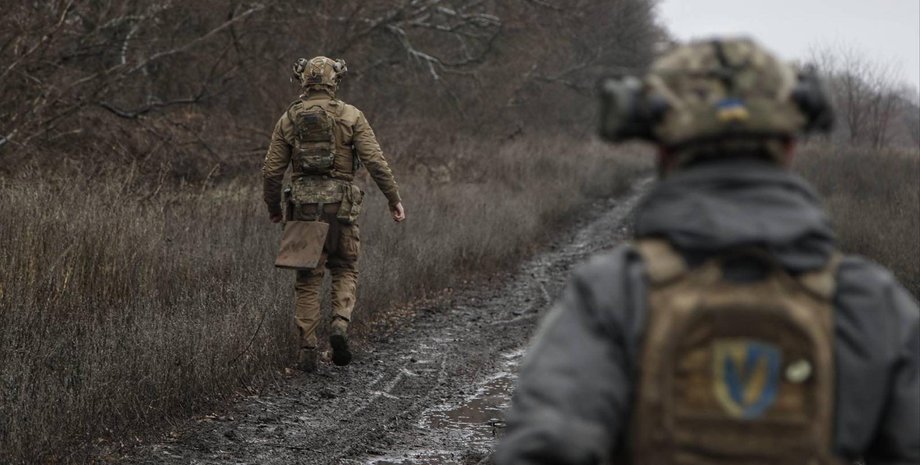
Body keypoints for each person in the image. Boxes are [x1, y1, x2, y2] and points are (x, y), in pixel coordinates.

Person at [495, 38, 919, 465]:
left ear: (663, 150)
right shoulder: (871, 304)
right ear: (789, 148)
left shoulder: (613, 294)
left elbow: (542, 448)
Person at [262, 56, 405, 372]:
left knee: (308, 277)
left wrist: (274, 208)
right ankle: (339, 325)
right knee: (344, 267)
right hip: (341, 208)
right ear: (334, 82)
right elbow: (376, 163)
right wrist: (393, 199)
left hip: (303, 209)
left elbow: (272, 172)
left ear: (304, 82)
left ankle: (307, 350)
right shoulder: (352, 116)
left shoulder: (289, 118)